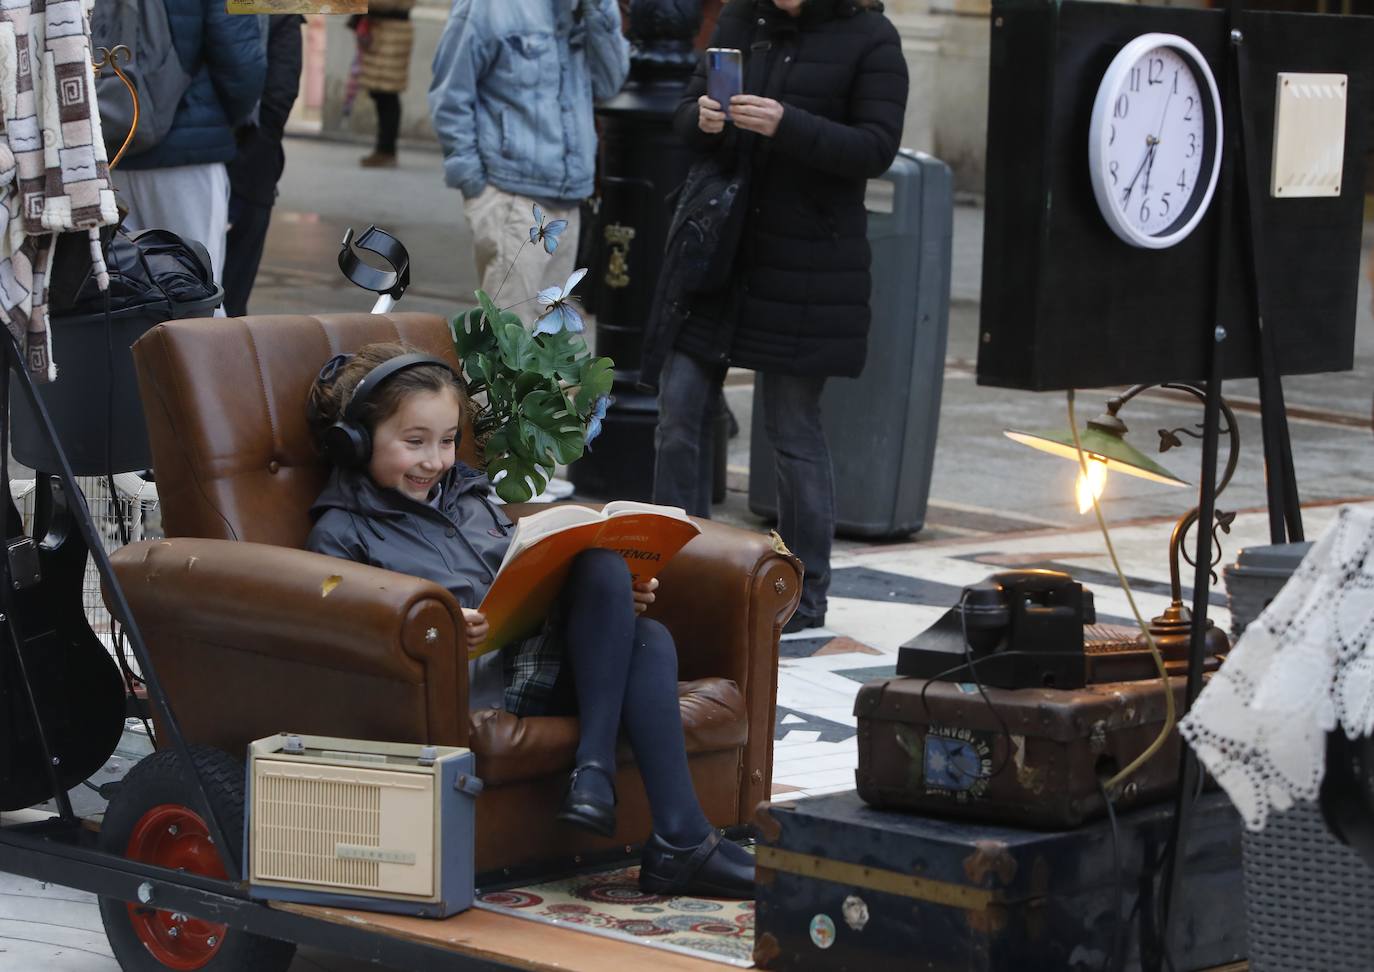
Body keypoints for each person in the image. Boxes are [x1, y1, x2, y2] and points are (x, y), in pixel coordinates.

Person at [304, 342, 755, 899]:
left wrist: (614, 602)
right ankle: (671, 833)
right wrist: (440, 627)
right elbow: (339, 634)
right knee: (645, 637)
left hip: (531, 665)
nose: (435, 460)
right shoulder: (340, 530)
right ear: (355, 443)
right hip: (463, 686)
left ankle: (617, 793)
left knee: (615, 586)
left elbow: (525, 577)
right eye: (414, 442)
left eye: (447, 441)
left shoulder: (468, 498)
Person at [650, 0, 908, 633]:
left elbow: (875, 148)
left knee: (792, 431)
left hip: (808, 265)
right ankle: (680, 571)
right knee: (677, 411)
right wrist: (703, 118)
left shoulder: (872, 37)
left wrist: (787, 124)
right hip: (722, 256)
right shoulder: (741, 21)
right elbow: (684, 111)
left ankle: (804, 591)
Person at [427, 0, 630, 324]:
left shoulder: (589, 7)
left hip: (569, 200)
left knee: (549, 351)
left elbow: (610, 83)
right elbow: (450, 96)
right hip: (512, 198)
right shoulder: (488, 7)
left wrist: (599, 9)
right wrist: (475, 185)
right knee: (510, 344)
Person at [110, 0, 266, 289]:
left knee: (122, 293)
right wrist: (220, 124)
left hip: (111, 140)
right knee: (196, 293)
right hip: (187, 154)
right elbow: (241, 63)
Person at [223, 15, 305, 318]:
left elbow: (278, 96)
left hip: (246, 164)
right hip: (245, 165)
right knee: (226, 299)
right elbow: (279, 93)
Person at [353, 0, 415, 168]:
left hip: (391, 33)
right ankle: (383, 148)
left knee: (387, 94)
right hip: (383, 31)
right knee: (380, 94)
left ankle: (386, 150)